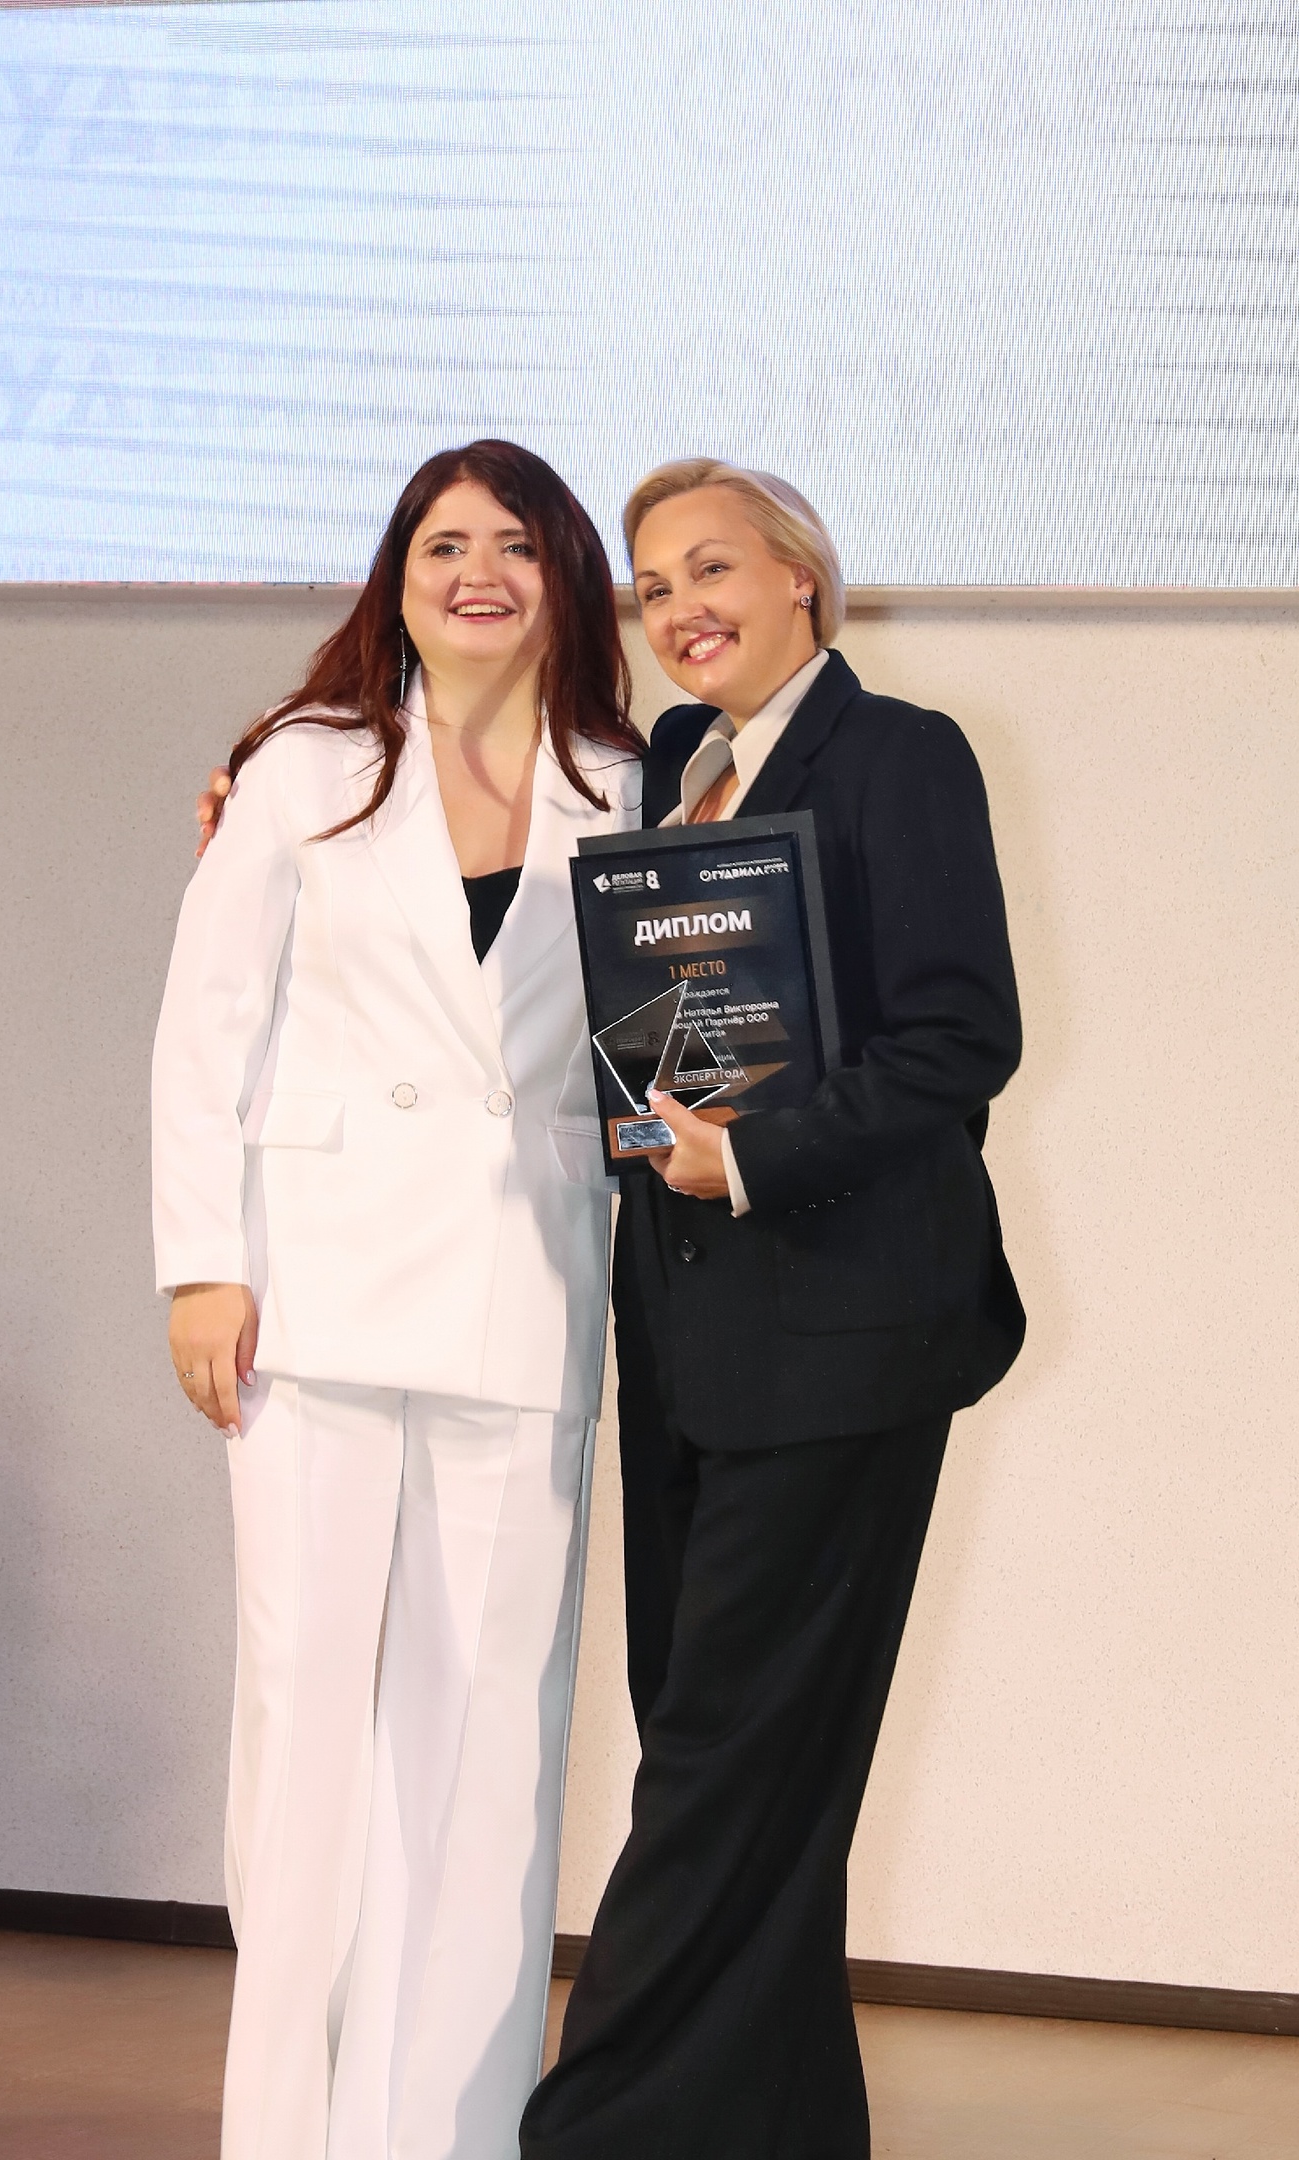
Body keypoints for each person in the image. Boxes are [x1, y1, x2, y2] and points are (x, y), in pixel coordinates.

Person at [518, 462, 1025, 2160]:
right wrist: (259, 780)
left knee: (722, 1767)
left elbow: (961, 1040)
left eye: (712, 569)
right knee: (737, 1757)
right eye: (653, 587)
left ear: (803, 576)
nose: (679, 610)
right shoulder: (671, 764)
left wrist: (746, 1158)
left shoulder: (901, 756)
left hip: (845, 1344)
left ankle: (594, 2134)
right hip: (686, 1345)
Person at [152, 439, 644, 2160]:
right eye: (443, 544)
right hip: (316, 1291)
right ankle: (285, 2126)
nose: (477, 573)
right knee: (304, 1717)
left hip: (527, 1290)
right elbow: (207, 1022)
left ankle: (448, 2129)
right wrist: (202, 1263)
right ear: (398, 576)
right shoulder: (304, 763)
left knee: (493, 1731)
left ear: (567, 577)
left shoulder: (628, 779)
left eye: (515, 544)